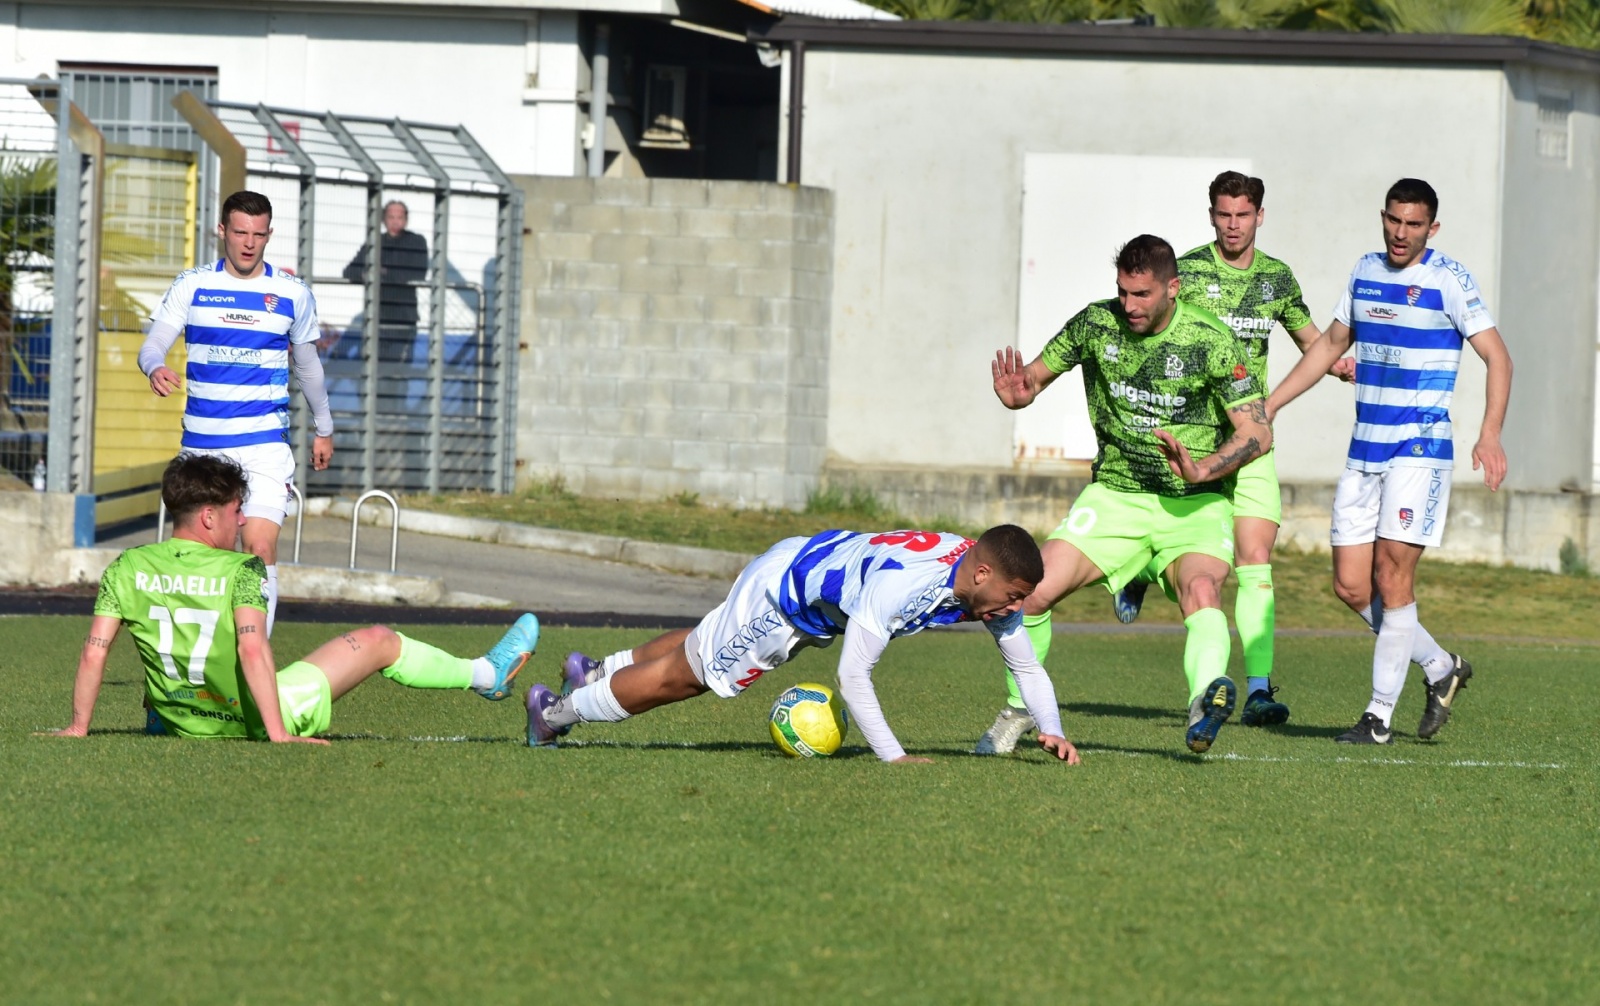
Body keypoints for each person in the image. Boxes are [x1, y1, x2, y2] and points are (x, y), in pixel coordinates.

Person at [977, 234, 1273, 756]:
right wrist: (1017, 394)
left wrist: (1204, 468)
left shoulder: (1212, 340)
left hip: (1194, 504)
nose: (1130, 306)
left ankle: (1205, 702)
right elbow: (1033, 380)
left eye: (1142, 295)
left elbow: (1256, 433)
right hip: (1116, 497)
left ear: (1173, 289)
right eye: (1123, 293)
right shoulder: (1096, 324)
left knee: (1202, 592)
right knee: (1031, 590)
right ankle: (1020, 707)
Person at [46, 453, 536, 742]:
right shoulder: (244, 569)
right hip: (252, 720)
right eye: (238, 510)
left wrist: (77, 727)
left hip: (183, 721)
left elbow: (95, 652)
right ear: (210, 517)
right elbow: (252, 649)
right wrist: (277, 735)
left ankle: (163, 714)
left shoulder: (127, 565)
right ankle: (487, 675)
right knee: (380, 638)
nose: (243, 522)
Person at [1266, 178, 1512, 744]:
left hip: (1419, 449)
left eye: (1413, 224)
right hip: (1365, 450)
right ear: (1383, 218)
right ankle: (1440, 667)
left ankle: (1377, 717)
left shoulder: (1448, 279)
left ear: (1432, 228)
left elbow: (1499, 357)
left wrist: (1490, 434)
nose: (1401, 234)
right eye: (1394, 221)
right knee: (1352, 588)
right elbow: (1329, 344)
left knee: (1392, 575)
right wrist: (1272, 405)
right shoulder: (1364, 271)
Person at [1082, 172, 1329, 733]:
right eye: (1223, 214)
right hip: (1191, 439)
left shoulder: (1275, 279)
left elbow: (1311, 340)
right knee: (1190, 555)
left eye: (1243, 215)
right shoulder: (1185, 274)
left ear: (1260, 216)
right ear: (1212, 215)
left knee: (1256, 559)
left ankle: (1260, 691)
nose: (1233, 225)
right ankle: (1144, 565)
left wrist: (1336, 361)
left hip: (1248, 440)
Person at [526, 524, 1080, 765]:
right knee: (688, 677)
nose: (1017, 609)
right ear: (982, 573)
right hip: (782, 599)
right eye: (1013, 596)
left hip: (806, 574)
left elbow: (1026, 666)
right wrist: (896, 756)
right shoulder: (904, 587)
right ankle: (554, 713)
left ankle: (596, 672)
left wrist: (1050, 727)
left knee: (699, 645)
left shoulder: (977, 583)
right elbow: (853, 678)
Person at [140, 190, 333, 637]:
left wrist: (324, 428)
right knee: (205, 557)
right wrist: (155, 366)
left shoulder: (292, 293)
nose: (249, 243)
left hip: (264, 444)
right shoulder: (193, 285)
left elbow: (308, 366)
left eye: (258, 234)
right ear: (222, 231)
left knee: (259, 548)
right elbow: (153, 343)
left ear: (269, 236)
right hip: (203, 450)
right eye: (240, 232)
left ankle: (253, 662)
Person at [343, 200, 429, 365]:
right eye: (391, 217)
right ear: (384, 219)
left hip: (403, 317)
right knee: (373, 366)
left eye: (400, 217)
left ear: (406, 219)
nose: (395, 221)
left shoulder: (416, 241)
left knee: (398, 370)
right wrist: (367, 274)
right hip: (376, 316)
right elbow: (349, 271)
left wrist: (382, 273)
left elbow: (418, 272)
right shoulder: (375, 242)